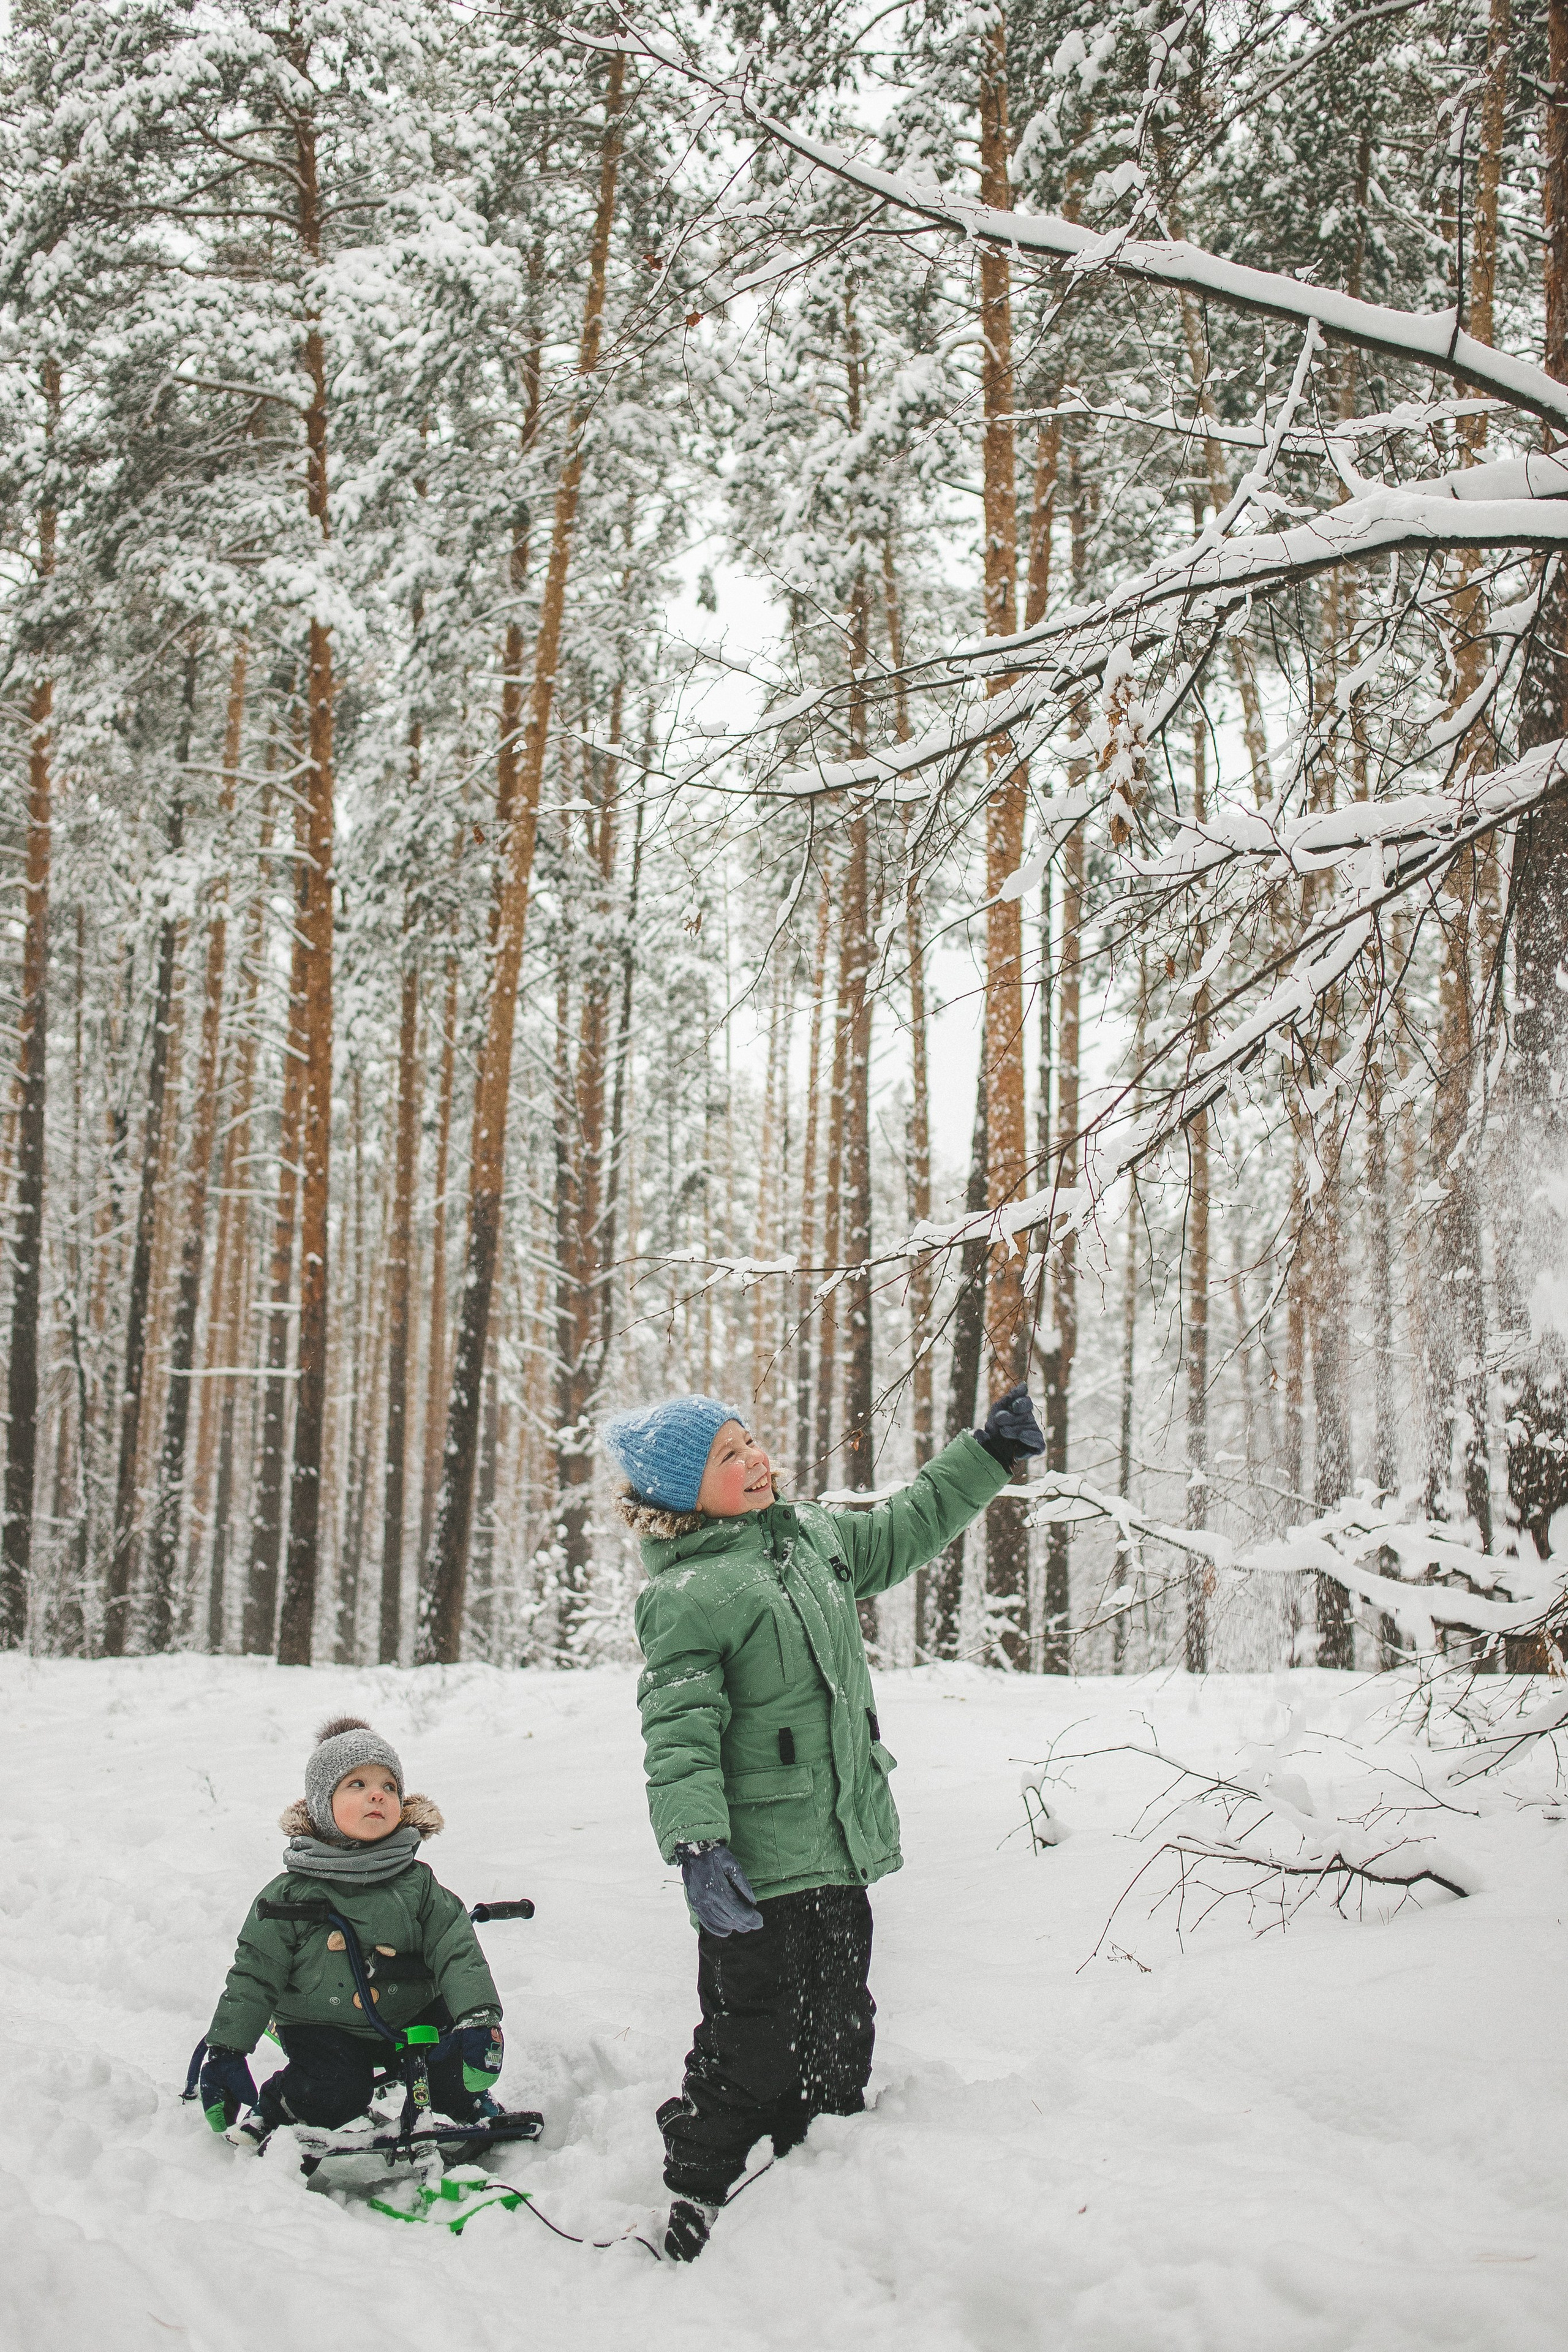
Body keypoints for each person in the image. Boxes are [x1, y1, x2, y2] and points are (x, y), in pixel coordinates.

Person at [606, 1385, 1046, 2262]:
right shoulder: (688, 1594)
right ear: (683, 1495)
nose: (756, 1459)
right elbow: (679, 1733)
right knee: (750, 2036)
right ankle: (698, 2179)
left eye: (752, 1440)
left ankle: (823, 2155)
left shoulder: (812, 1540)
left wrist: (987, 1456)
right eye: (728, 1457)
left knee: (843, 2022)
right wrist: (697, 1845)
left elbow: (906, 1526)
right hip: (756, 1866)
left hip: (838, 1845)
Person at [197, 1716, 505, 2147]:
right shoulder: (292, 1893)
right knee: (334, 2089)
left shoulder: (418, 1885)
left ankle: (465, 2098)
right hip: (324, 2027)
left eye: (389, 1786)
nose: (377, 1794)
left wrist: (477, 2018)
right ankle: (279, 2106)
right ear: (323, 1804)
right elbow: (255, 1972)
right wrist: (228, 2050)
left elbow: (457, 1951)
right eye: (356, 1785)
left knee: (450, 2064)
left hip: (409, 2016)